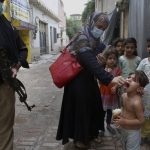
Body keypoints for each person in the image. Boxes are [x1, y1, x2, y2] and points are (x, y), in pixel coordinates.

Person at [56, 12, 126, 149]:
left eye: (104, 29)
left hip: (88, 79)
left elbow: (102, 56)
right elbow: (89, 61)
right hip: (76, 81)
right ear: (92, 23)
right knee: (81, 109)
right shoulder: (82, 38)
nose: (100, 30)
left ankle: (91, 134)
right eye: (99, 26)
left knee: (95, 106)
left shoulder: (96, 41)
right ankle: (79, 139)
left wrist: (105, 60)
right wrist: (110, 78)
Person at [0, 0, 29, 149]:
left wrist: (16, 66)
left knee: (4, 127)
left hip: (4, 84)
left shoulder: (8, 26)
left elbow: (23, 49)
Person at [114, 71, 149, 150]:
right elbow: (124, 109)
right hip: (123, 129)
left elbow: (141, 121)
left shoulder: (137, 103)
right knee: (124, 146)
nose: (129, 80)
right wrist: (119, 117)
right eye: (129, 77)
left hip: (133, 132)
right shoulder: (123, 96)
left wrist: (124, 121)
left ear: (139, 88)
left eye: (134, 80)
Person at [99, 48, 121, 135]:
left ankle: (108, 125)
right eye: (110, 58)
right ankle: (101, 128)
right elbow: (100, 81)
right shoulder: (102, 69)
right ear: (106, 59)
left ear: (116, 60)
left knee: (110, 111)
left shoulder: (117, 70)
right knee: (102, 112)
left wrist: (115, 87)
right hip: (103, 95)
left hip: (112, 96)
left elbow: (119, 81)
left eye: (114, 58)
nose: (112, 60)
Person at [137, 38, 150, 144]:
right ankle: (144, 135)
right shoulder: (144, 62)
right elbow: (137, 75)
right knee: (145, 114)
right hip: (145, 94)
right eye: (149, 46)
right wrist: (138, 88)